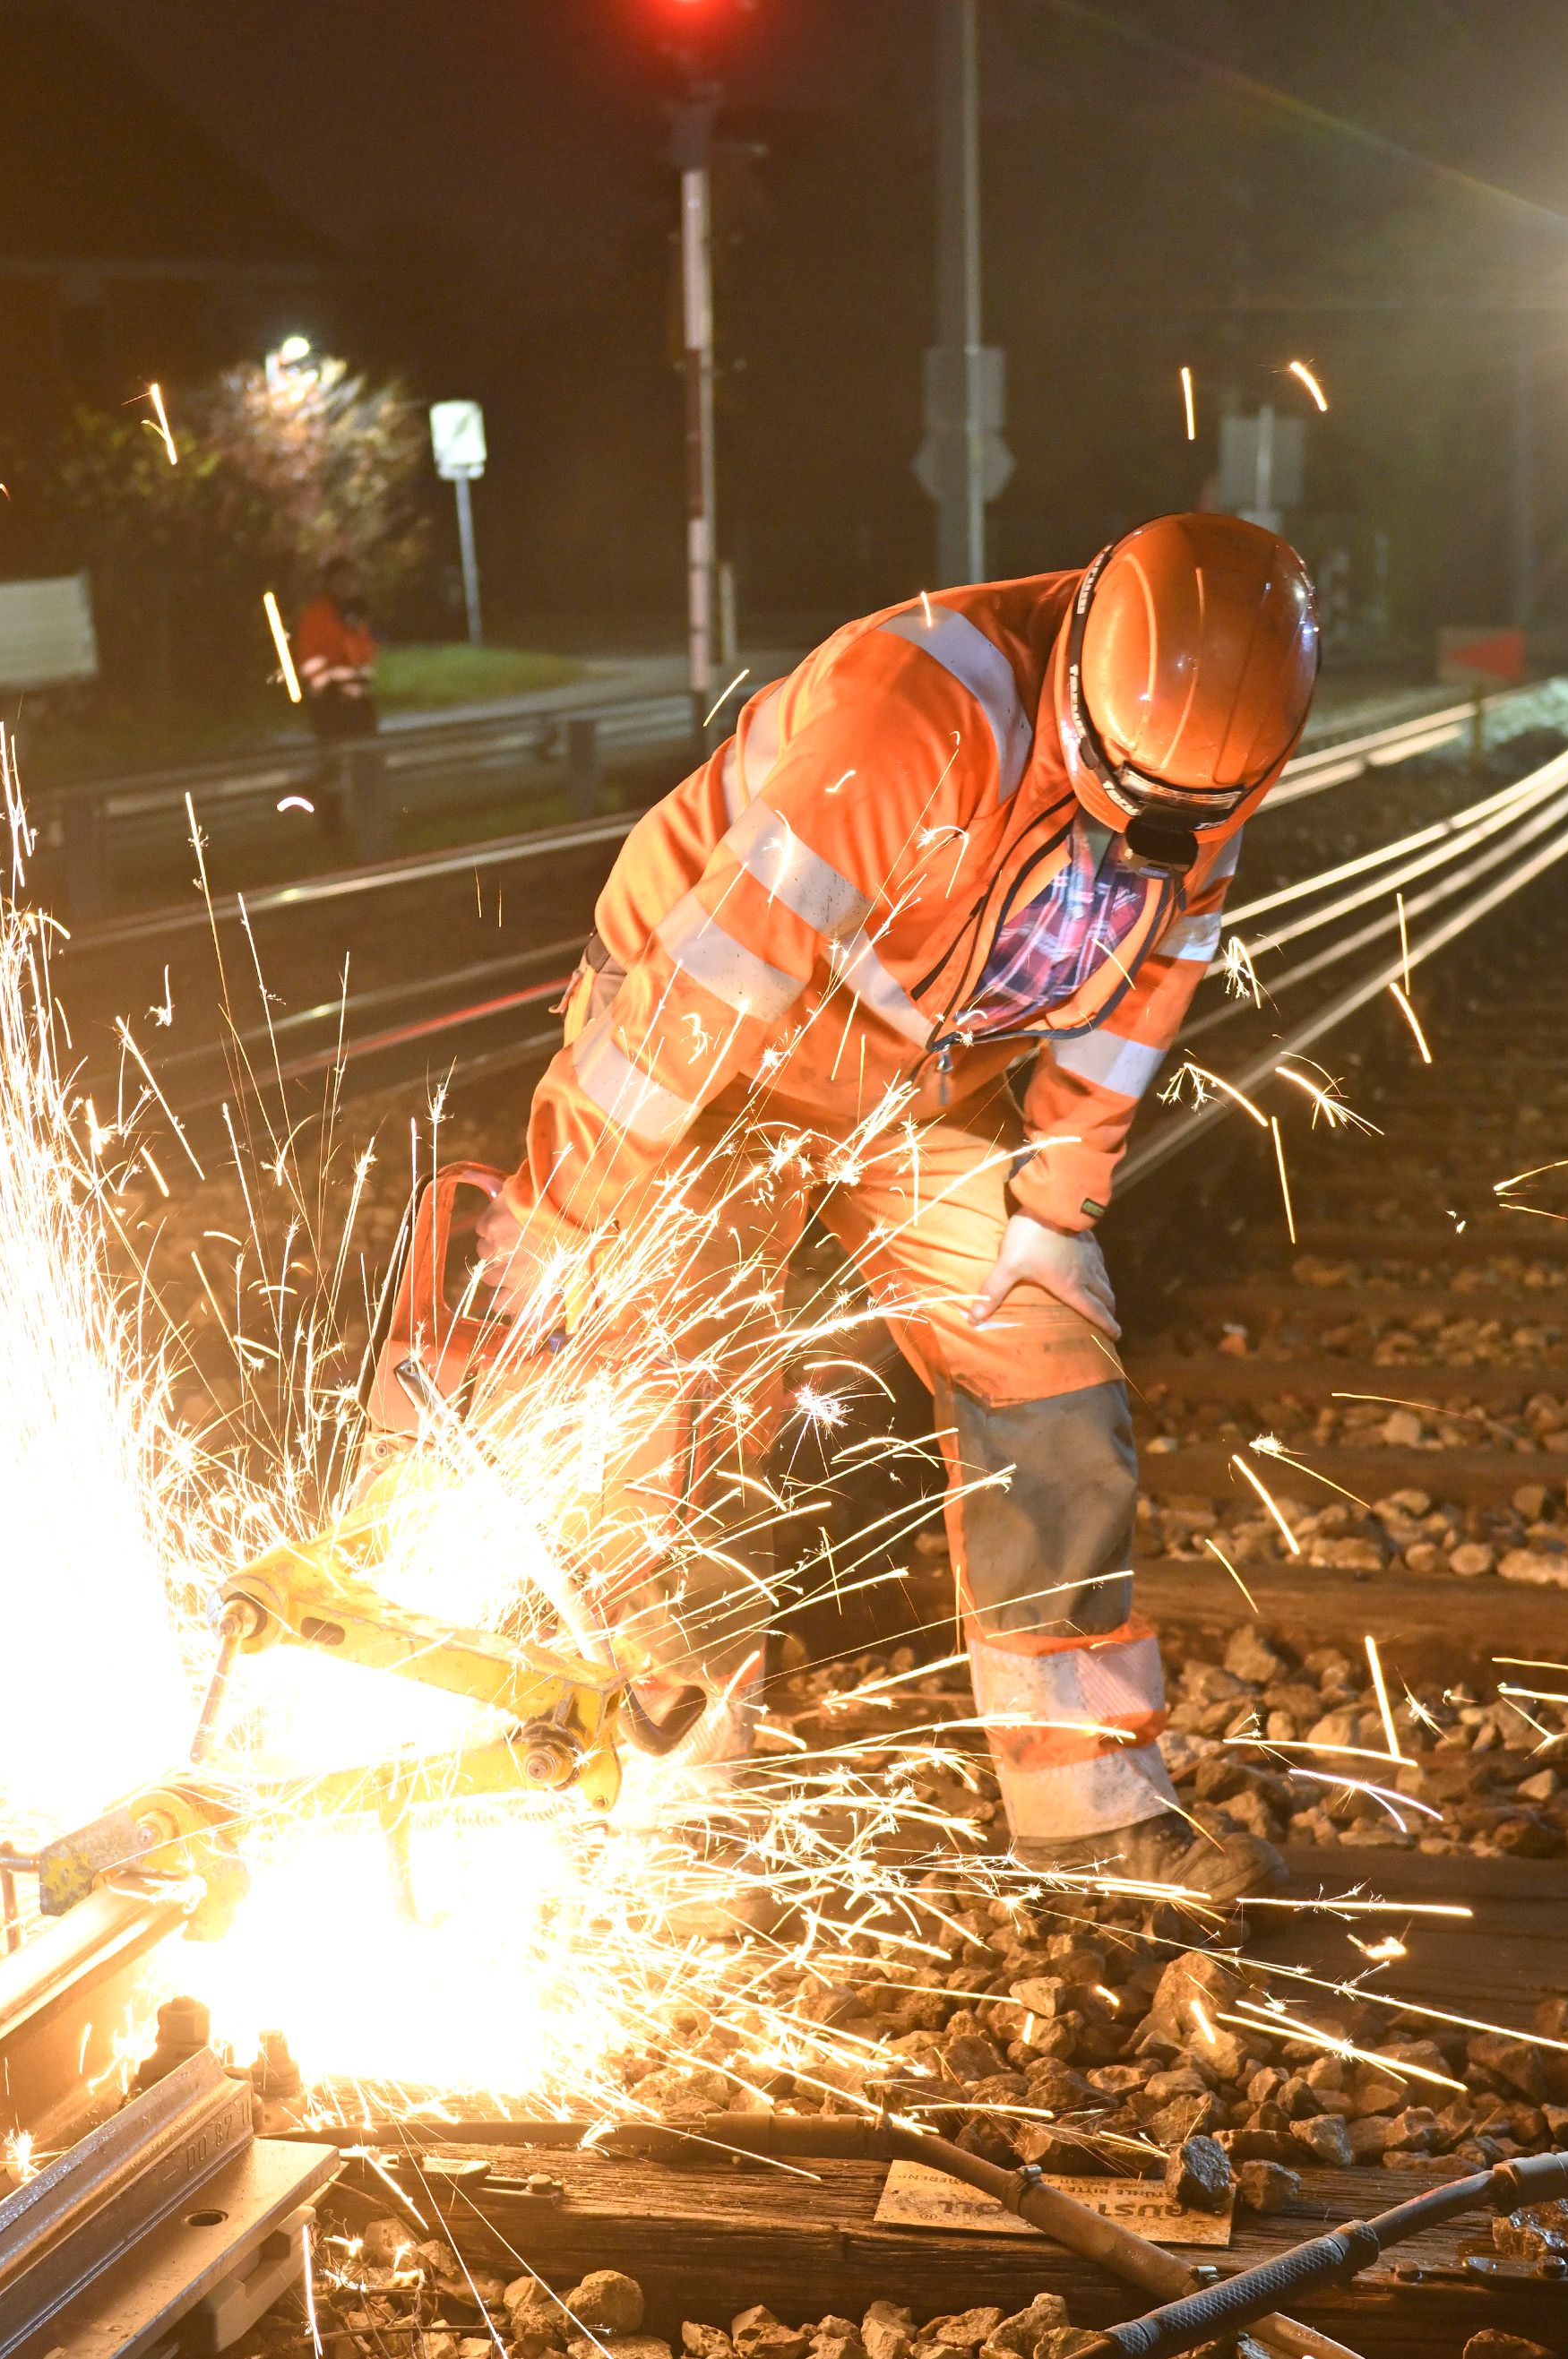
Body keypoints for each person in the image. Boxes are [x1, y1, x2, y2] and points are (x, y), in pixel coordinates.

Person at [474, 513, 1319, 1903]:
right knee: (682, 1389)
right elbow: (707, 992)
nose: (1153, 831)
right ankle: (673, 1799)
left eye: (1191, 813)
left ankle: (1090, 1799)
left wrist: (1054, 1204)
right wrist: (569, 1222)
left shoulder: (1206, 760)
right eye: (1128, 795)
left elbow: (1132, 1016)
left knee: (1052, 1362)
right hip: (726, 1051)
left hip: (926, 1082)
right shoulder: (916, 711)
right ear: (1078, 684)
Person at [292, 556, 379, 767]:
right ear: (330, 583)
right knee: (334, 767)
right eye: (342, 580)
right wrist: (334, 685)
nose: (347, 585)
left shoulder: (352, 614)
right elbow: (311, 661)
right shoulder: (317, 615)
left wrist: (358, 683)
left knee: (365, 763)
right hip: (331, 704)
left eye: (351, 580)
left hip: (359, 702)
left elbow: (364, 654)